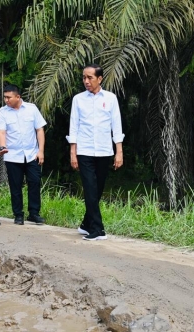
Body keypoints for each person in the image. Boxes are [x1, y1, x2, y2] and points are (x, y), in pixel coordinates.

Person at [67, 64, 124, 241]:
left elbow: (116, 125)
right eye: (84, 77)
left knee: (97, 189)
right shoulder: (78, 99)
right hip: (84, 150)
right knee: (90, 189)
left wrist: (119, 151)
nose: (86, 81)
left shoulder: (111, 98)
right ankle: (97, 229)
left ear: (99, 79)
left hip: (104, 150)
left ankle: (85, 224)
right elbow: (74, 125)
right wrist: (73, 152)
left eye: (90, 77)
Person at [0, 84, 46, 225]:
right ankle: (18, 214)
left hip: (32, 154)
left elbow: (40, 130)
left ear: (18, 97)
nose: (6, 100)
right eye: (4, 97)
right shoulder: (3, 112)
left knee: (35, 182)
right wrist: (3, 146)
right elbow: (1, 131)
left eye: (9, 97)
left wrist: (41, 151)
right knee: (15, 185)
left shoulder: (32, 109)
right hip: (13, 156)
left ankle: (34, 213)